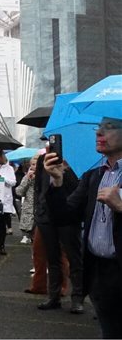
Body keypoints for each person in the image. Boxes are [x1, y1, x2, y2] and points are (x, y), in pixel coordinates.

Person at [43, 116, 122, 337]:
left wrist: (120, 206)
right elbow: (64, 216)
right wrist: (57, 183)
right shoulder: (93, 176)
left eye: (109, 127)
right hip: (100, 273)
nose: (99, 133)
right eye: (98, 128)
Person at [34, 148, 85, 313]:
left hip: (68, 216)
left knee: (74, 257)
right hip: (45, 216)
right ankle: (53, 297)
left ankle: (77, 298)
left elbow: (78, 188)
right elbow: (38, 187)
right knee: (52, 258)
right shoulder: (43, 159)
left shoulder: (74, 160)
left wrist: (64, 172)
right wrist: (38, 209)